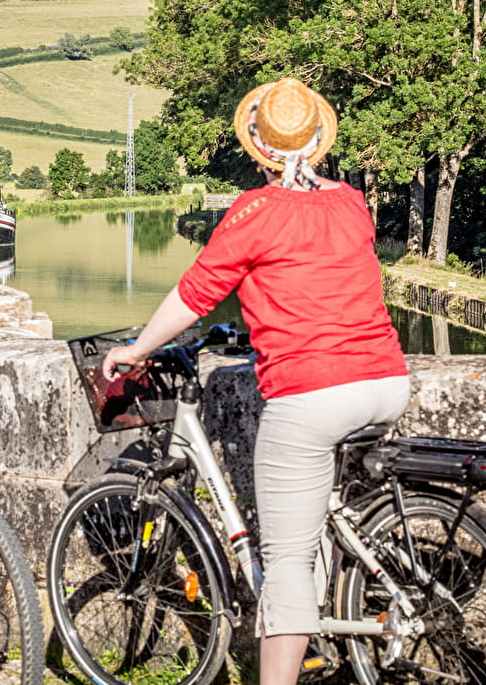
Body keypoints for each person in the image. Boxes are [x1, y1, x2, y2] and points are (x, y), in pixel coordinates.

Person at [100, 77, 409, 685]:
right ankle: (334, 625)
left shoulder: (256, 211)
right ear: (318, 141)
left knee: (286, 559)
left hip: (313, 392)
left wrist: (138, 350)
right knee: (318, 519)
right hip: (385, 378)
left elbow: (195, 295)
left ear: (259, 149)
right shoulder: (350, 201)